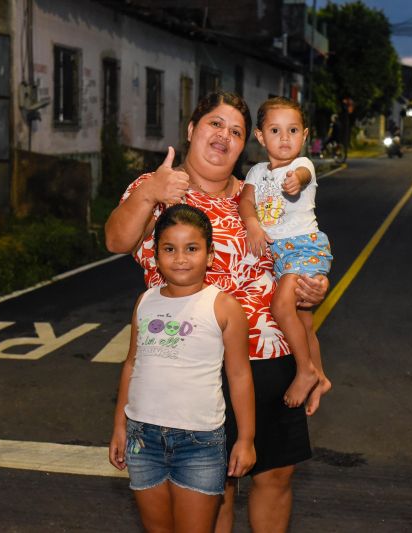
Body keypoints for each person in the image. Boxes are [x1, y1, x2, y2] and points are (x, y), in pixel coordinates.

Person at [105, 90, 329, 532]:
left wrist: (313, 287)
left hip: (272, 356)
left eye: (236, 131)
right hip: (196, 367)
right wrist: (151, 190)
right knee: (217, 488)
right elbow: (116, 239)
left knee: (276, 475)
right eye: (215, 124)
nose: (224, 135)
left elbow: (296, 252)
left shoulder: (260, 190)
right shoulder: (159, 187)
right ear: (191, 130)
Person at [108, 204, 256, 532]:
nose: (180, 258)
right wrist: (120, 426)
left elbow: (239, 375)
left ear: (210, 254)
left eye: (191, 249)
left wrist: (246, 439)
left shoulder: (223, 306)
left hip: (199, 442)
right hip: (141, 439)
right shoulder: (145, 302)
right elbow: (132, 363)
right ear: (157, 256)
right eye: (169, 249)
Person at [238, 96, 332, 413]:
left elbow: (303, 177)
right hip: (280, 255)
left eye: (293, 130)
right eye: (275, 131)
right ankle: (319, 375)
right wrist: (251, 223)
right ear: (261, 136)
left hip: (304, 247)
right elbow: (245, 203)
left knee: (281, 306)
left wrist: (296, 182)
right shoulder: (255, 173)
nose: (285, 138)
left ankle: (304, 371)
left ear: (304, 135)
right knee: (303, 321)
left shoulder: (301, 166)